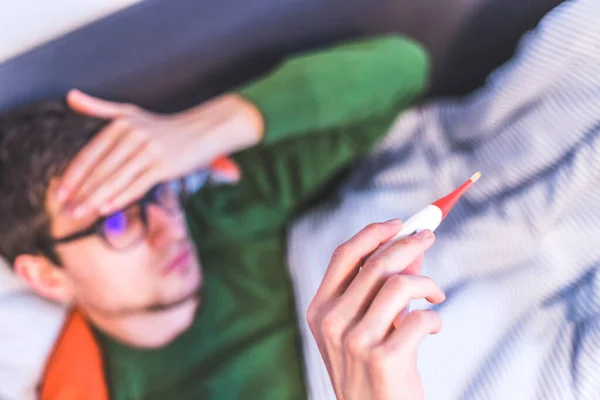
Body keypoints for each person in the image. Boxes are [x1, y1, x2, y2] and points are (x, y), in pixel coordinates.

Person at [0, 35, 433, 399]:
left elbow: (403, 68)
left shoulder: (224, 214)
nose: (168, 230)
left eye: (155, 189)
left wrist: (202, 130)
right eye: (116, 223)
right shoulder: (95, 386)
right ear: (47, 277)